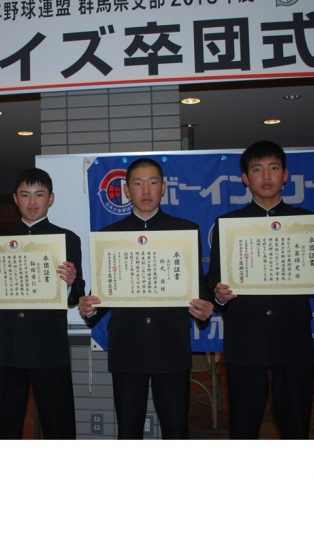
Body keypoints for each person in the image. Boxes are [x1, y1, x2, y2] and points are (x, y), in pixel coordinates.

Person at [205, 140, 314, 439]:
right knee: (243, 429)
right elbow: (214, 277)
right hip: (245, 341)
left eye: (273, 168)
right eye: (257, 169)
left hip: (292, 340)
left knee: (296, 427)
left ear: (285, 175)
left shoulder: (307, 223)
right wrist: (218, 295)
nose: (266, 176)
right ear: (246, 178)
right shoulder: (229, 224)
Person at [78, 157, 214, 439]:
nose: (146, 190)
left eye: (153, 182)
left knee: (176, 430)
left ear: (163, 187)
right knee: (128, 432)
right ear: (127, 190)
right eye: (138, 184)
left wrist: (203, 310)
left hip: (171, 346)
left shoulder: (185, 231)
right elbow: (104, 291)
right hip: (127, 347)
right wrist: (89, 309)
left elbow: (196, 286)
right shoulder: (110, 236)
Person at [0, 167, 84, 439]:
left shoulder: (67, 239)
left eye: (39, 194)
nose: (32, 202)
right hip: (10, 345)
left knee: (58, 424)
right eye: (25, 195)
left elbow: (78, 291)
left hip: (49, 346)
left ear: (51, 198)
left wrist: (69, 283)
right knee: (8, 423)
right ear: (15, 199)